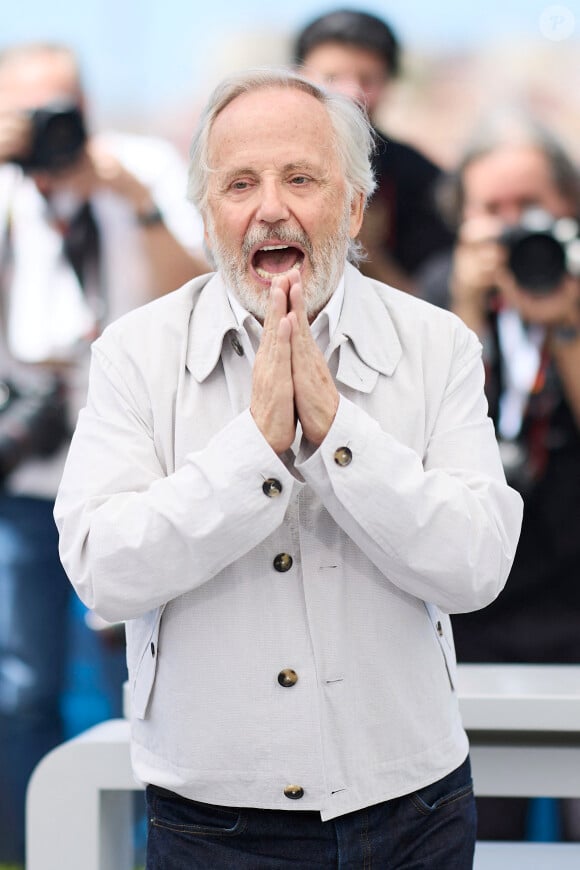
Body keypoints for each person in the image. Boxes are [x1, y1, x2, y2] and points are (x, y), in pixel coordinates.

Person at [55, 68, 523, 869]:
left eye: (301, 178)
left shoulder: (437, 344)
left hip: (413, 806)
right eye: (239, 184)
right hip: (213, 819)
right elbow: (101, 571)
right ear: (209, 216)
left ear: (353, 205)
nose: (270, 207)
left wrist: (339, 437)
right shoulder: (135, 354)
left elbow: (475, 566)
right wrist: (253, 453)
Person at [0, 41, 208, 863]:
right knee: (21, 687)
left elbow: (199, 289)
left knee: (148, 689)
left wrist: (131, 198)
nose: (50, 128)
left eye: (61, 107)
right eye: (29, 111)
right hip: (25, 478)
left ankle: (141, 851)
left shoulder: (139, 171)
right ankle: (25, 851)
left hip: (136, 474)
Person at [418, 113, 580, 839]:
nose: (515, 228)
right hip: (474, 616)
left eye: (532, 206)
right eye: (493, 210)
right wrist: (464, 315)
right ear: (463, 221)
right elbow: (415, 451)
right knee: (483, 831)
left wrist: (566, 325)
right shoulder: (427, 303)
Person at [293, 7, 453, 293]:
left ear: (389, 84)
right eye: (332, 77)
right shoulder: (260, 160)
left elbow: (431, 309)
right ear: (298, 77)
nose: (351, 93)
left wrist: (366, 249)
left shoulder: (422, 180)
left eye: (368, 80)